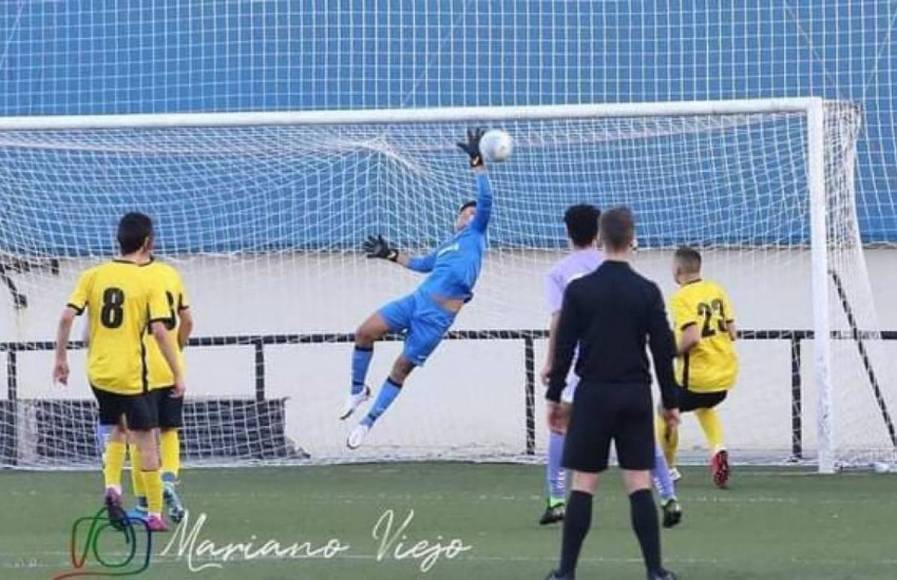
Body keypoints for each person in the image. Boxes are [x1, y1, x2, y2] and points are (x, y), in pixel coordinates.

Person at [544, 207, 679, 580]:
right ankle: (655, 571)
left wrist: (555, 397)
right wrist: (670, 402)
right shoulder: (647, 290)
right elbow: (663, 351)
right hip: (635, 394)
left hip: (592, 395)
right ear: (632, 239)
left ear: (600, 240)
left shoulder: (579, 290)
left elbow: (564, 348)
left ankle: (566, 573)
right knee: (638, 482)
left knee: (584, 483)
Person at [340, 128, 494, 450]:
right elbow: (422, 264)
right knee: (365, 332)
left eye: (473, 213)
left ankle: (368, 422)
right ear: (457, 219)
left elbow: (486, 199)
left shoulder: (476, 235)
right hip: (415, 302)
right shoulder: (447, 246)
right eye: (465, 213)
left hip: (435, 319)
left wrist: (477, 162)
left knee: (400, 369)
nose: (470, 215)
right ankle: (357, 391)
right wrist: (390, 254)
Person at [53, 212, 186, 532]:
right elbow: (159, 331)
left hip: (99, 372)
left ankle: (113, 485)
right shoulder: (149, 280)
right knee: (147, 441)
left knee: (117, 428)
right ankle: (154, 513)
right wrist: (177, 371)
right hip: (132, 375)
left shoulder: (93, 275)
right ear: (148, 242)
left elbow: (67, 318)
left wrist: (61, 359)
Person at [659, 246, 738, 488]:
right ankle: (718, 449)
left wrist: (672, 351)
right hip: (723, 377)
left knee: (664, 411)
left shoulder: (681, 297)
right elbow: (733, 333)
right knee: (704, 405)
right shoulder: (717, 290)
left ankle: (668, 469)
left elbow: (692, 337)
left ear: (678, 270)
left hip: (696, 378)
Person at [127, 257, 193, 523]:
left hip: (138, 369)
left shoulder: (123, 277)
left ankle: (144, 501)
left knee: (138, 435)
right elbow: (187, 321)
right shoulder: (169, 273)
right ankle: (168, 479)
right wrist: (176, 351)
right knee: (169, 430)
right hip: (169, 366)